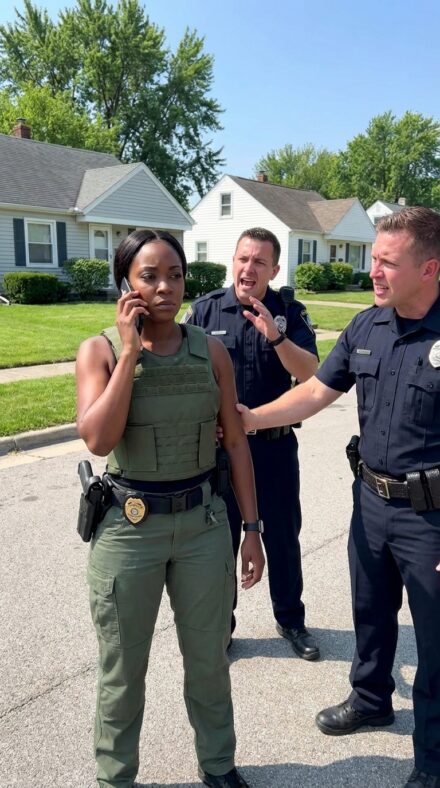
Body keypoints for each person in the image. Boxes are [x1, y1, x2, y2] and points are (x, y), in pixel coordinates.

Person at [237, 207, 440, 788]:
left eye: (386, 262)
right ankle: (371, 699)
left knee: (434, 640)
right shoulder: (366, 327)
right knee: (370, 614)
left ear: (429, 268)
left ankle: (431, 759)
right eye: (373, 258)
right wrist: (248, 420)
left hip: (432, 516)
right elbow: (315, 394)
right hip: (371, 503)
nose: (372, 270)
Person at [76, 229, 265, 788]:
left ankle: (218, 764)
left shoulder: (210, 349)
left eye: (175, 275)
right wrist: (129, 353)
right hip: (128, 531)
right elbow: (98, 439)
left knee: (209, 659)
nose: (165, 288)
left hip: (203, 525)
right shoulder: (101, 351)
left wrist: (251, 528)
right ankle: (115, 777)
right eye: (149, 276)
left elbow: (234, 443)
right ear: (125, 284)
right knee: (122, 670)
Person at [183, 227, 320, 659]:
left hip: (274, 449)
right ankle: (222, 628)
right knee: (219, 543)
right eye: (243, 259)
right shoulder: (205, 313)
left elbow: (312, 374)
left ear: (274, 269)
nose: (249, 268)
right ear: (233, 261)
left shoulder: (288, 314)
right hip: (220, 454)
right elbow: (185, 378)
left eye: (259, 262)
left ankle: (291, 621)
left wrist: (275, 337)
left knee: (282, 538)